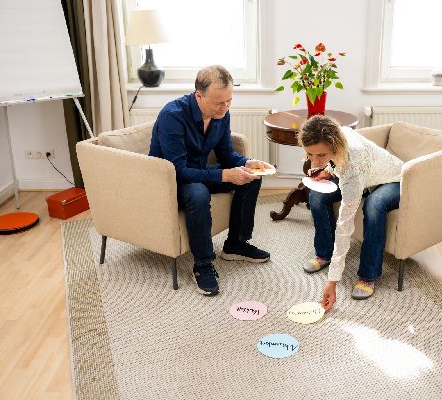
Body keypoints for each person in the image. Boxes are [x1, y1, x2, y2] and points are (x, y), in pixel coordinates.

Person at [149, 65, 272, 296]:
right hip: (169, 181)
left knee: (251, 178)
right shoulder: (172, 116)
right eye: (218, 102)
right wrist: (225, 175)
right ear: (199, 95)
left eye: (229, 101)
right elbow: (178, 170)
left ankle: (235, 244)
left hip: (199, 172)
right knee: (198, 193)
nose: (225, 107)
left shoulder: (221, 114)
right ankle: (203, 264)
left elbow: (225, 154)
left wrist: (247, 163)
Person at [297, 115, 403, 311]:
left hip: (393, 179)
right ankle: (324, 254)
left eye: (321, 155)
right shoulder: (339, 134)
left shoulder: (352, 166)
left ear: (334, 145)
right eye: (310, 154)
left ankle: (368, 275)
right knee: (317, 196)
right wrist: (327, 171)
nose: (315, 161)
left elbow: (344, 227)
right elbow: (335, 162)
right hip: (364, 176)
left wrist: (332, 281)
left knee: (373, 205)